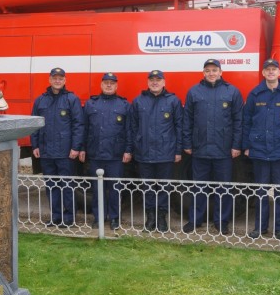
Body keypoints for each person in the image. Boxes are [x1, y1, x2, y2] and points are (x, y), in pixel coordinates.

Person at [242, 59, 280, 240]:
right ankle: (260, 228)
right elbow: (247, 121)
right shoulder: (255, 94)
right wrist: (246, 145)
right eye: (267, 70)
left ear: (279, 71)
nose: (270, 72)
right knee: (261, 191)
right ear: (263, 73)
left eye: (273, 69)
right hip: (259, 150)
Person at [182, 58, 243, 235]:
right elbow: (188, 119)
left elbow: (238, 121)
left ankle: (221, 221)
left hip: (224, 150)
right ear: (203, 73)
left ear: (220, 72)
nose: (211, 73)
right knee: (198, 187)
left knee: (224, 188)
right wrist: (187, 143)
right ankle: (195, 220)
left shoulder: (232, 92)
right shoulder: (194, 91)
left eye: (214, 70)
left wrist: (236, 145)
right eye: (208, 70)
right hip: (200, 149)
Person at [130, 70, 183, 232]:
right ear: (147, 82)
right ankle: (150, 218)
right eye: (152, 80)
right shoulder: (138, 101)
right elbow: (132, 127)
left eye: (158, 80)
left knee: (164, 187)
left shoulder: (173, 101)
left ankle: (161, 219)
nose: (155, 82)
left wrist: (178, 150)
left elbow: (179, 127)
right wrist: (134, 148)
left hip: (165, 153)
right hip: (144, 153)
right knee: (147, 188)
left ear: (164, 82)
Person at [30, 67, 84, 227]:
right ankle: (55, 216)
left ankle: (69, 218)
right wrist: (35, 145)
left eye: (61, 78)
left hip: (65, 152)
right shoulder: (40, 100)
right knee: (51, 186)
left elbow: (78, 125)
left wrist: (76, 147)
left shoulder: (71, 99)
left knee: (67, 185)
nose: (57, 80)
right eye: (55, 78)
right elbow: (34, 124)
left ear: (65, 80)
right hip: (46, 152)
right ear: (50, 79)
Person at [80, 73, 132, 230]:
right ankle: (99, 217)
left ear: (116, 86)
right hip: (96, 154)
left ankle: (115, 218)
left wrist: (128, 150)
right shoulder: (91, 104)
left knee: (116, 189)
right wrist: (82, 148)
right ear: (101, 85)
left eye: (112, 83)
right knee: (97, 189)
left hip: (116, 155)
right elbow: (85, 128)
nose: (109, 85)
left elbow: (129, 130)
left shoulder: (124, 105)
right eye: (106, 83)